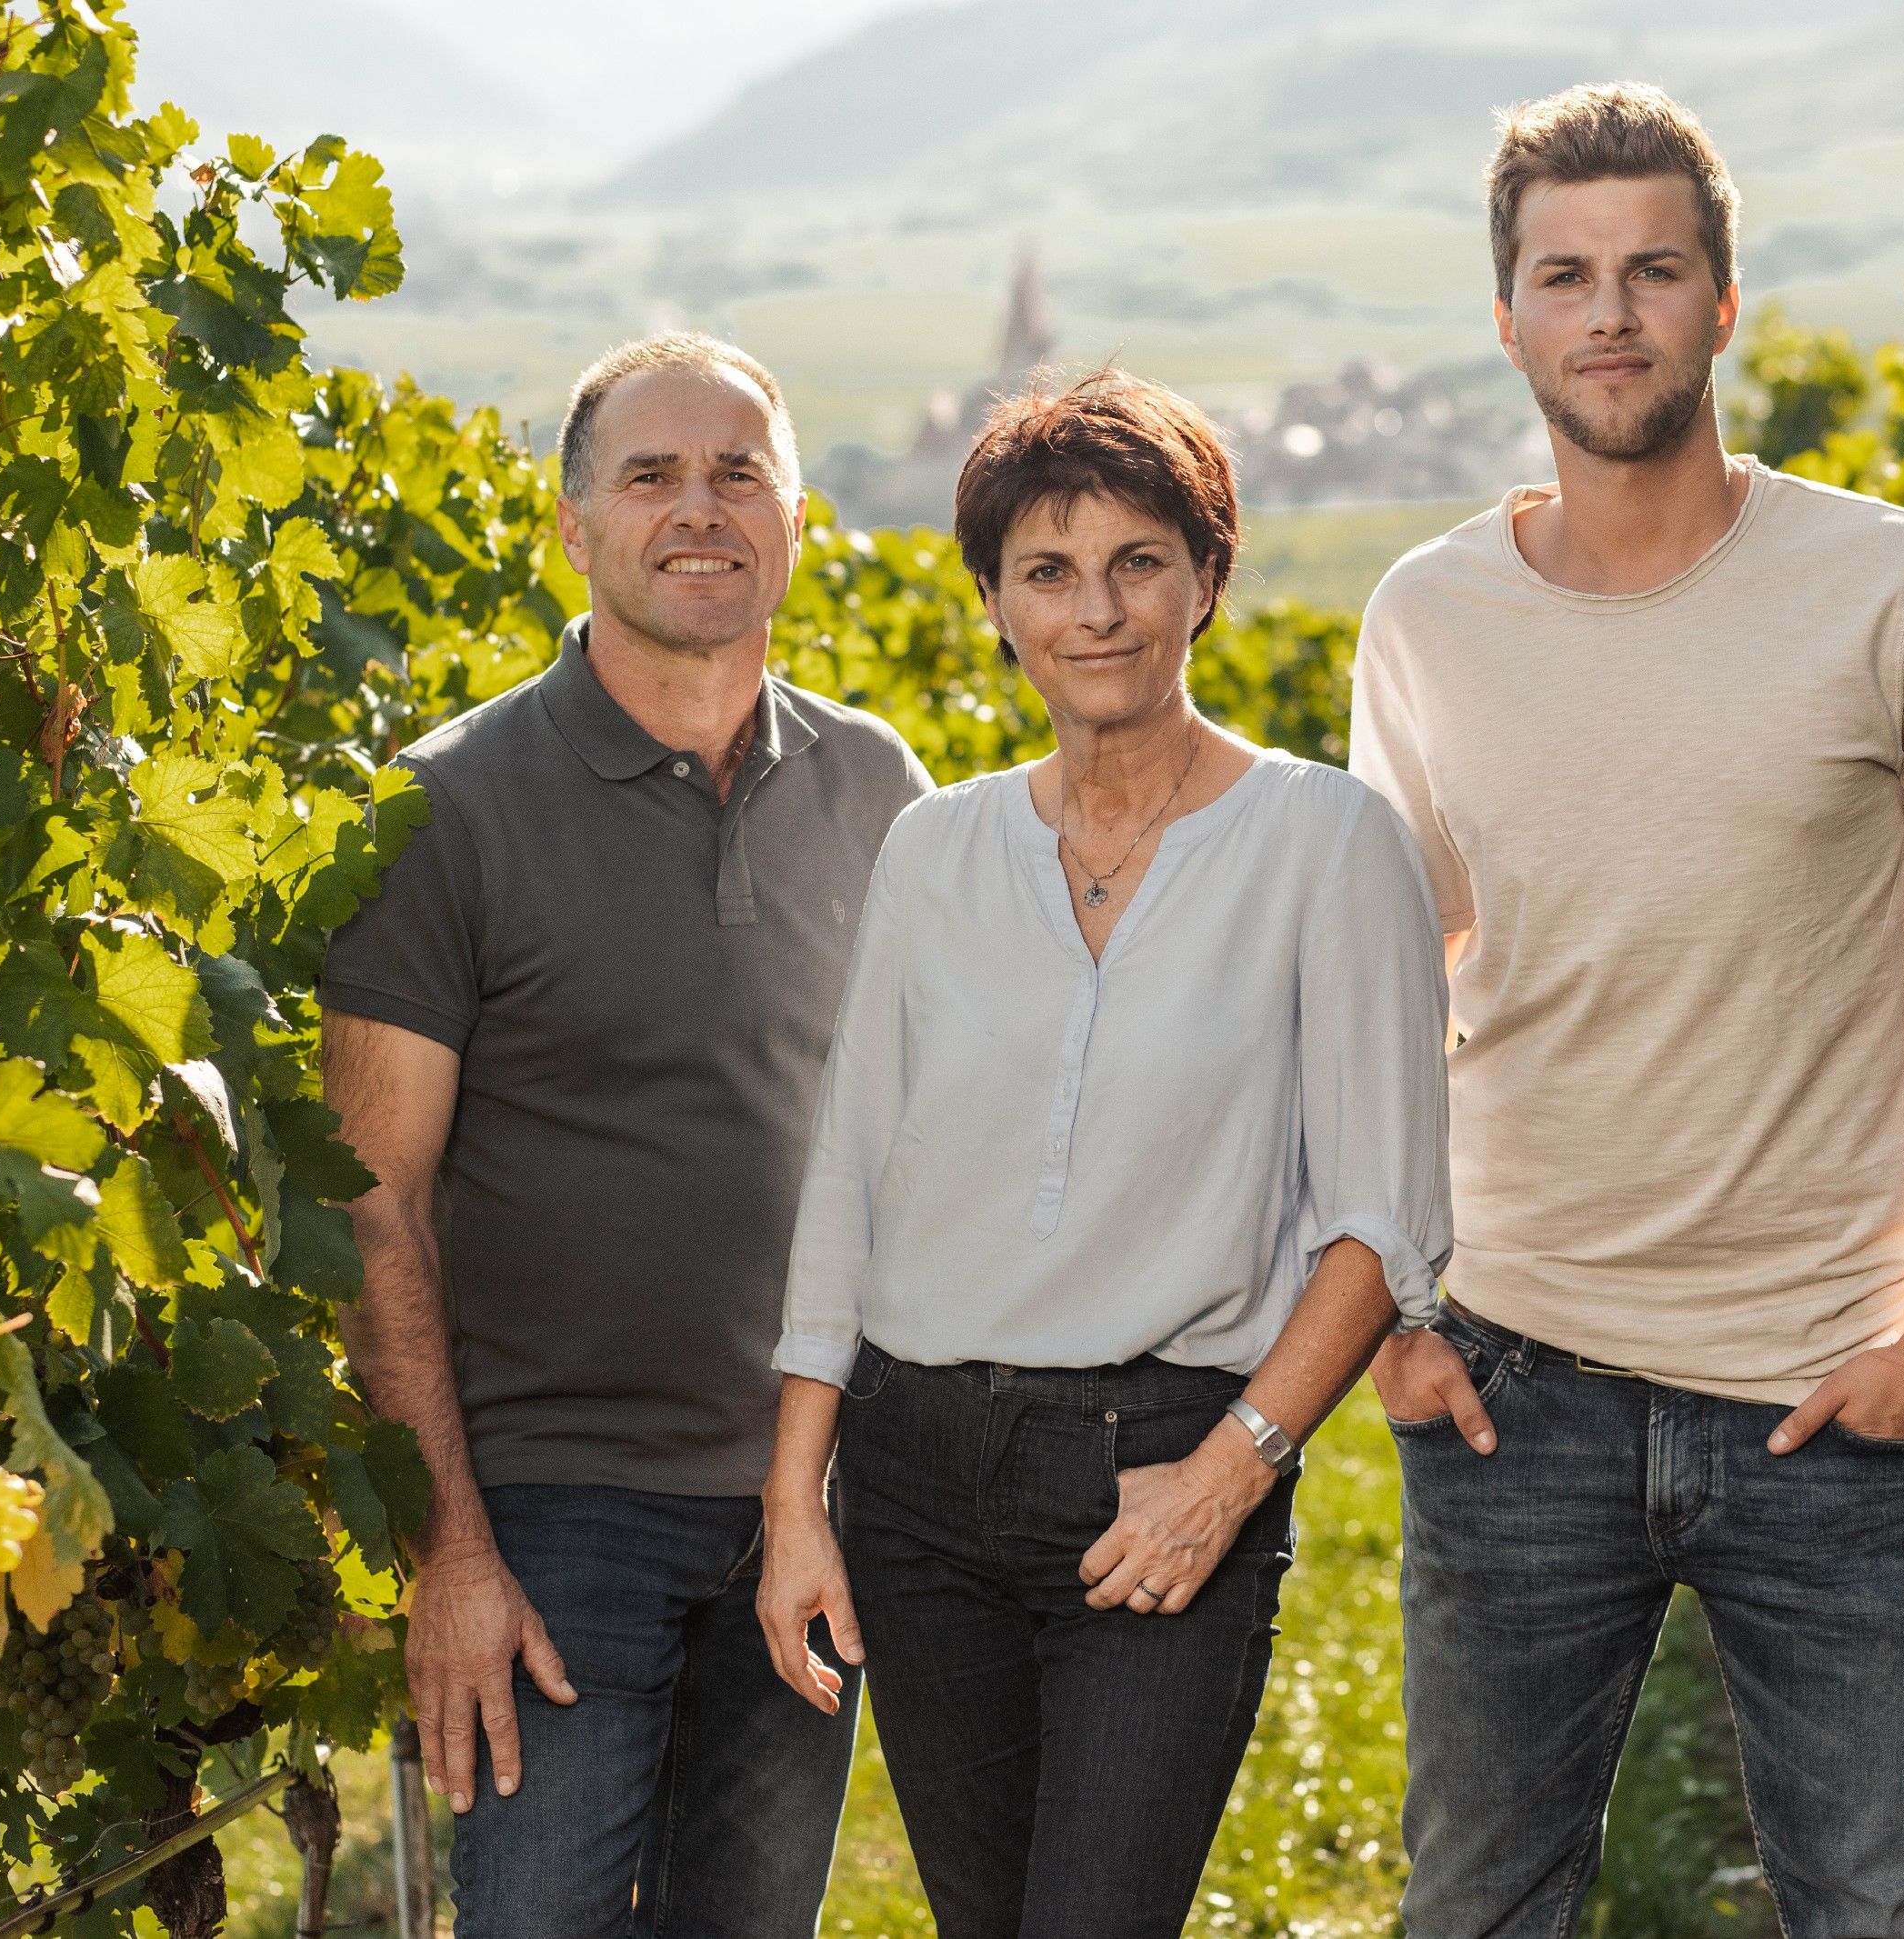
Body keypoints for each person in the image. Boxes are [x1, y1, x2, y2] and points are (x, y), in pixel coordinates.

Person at [1351, 85, 1904, 1939]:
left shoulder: (1902, 588)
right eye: (1565, 276)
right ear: (1505, 317)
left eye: (1652, 269)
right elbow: (1378, 990)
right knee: (1475, 1909)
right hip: (1513, 1386)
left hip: (1829, 1391)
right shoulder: (1423, 618)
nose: (1609, 313)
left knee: (1889, 1904)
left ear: (1722, 302)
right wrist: (1386, 1320)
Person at [754, 371, 1452, 1939]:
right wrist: (800, 1495)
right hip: (919, 1476)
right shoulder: (938, 847)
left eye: (1141, 560)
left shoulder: (1325, 844)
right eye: (1049, 572)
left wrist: (1233, 1474)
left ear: (1208, 578)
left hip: (1159, 1464)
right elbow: (847, 1175)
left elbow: (1385, 1217)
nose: (1099, 611)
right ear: (995, 603)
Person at [319, 332, 932, 1937]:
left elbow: (930, 1150)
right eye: (652, 473)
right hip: (552, 1514)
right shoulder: (445, 807)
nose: (700, 507)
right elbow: (374, 1204)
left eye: (741, 471)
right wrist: (449, 1549)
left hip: (809, 1504)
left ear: (799, 518)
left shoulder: (884, 792)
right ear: (575, 523)